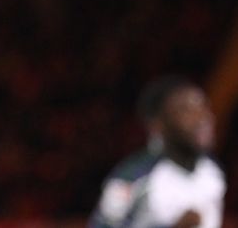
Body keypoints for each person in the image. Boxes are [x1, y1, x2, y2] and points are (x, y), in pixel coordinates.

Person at [90, 76, 226, 228]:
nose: (201, 117)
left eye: (203, 106)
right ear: (157, 124)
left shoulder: (212, 170)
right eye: (185, 110)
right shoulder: (134, 175)